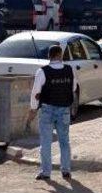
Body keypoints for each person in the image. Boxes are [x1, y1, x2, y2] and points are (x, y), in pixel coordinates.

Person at [28, 45, 77, 181]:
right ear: (60, 55)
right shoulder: (70, 70)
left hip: (47, 110)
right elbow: (73, 88)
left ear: (49, 56)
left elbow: (35, 93)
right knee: (64, 142)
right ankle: (66, 171)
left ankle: (46, 172)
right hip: (64, 110)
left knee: (46, 142)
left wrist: (33, 109)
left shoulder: (42, 72)